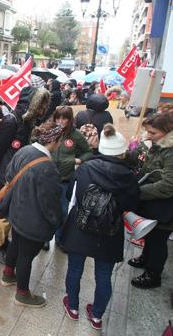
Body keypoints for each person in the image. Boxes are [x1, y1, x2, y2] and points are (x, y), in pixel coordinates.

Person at [61, 124, 140, 330]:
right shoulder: (130, 177)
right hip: (110, 232)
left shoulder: (86, 168)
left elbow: (71, 195)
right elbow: (133, 204)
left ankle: (73, 307)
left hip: (81, 226)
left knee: (75, 268)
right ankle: (96, 316)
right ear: (122, 152)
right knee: (104, 275)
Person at [0, 121, 64, 307]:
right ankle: (22, 294)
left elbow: (8, 176)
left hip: (16, 211)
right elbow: (49, 202)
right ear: (53, 140)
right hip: (33, 220)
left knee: (15, 245)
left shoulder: (24, 150)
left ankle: (8, 275)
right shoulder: (47, 167)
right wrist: (57, 221)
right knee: (26, 255)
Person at [127, 113, 173, 289]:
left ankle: (153, 274)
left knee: (158, 240)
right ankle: (145, 258)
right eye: (147, 131)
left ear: (168, 131)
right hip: (157, 202)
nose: (148, 136)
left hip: (171, 206)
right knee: (151, 234)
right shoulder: (162, 145)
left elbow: (168, 186)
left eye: (153, 132)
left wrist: (136, 192)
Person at [0, 87, 50, 263]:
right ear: (32, 103)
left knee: (8, 209)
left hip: (16, 170)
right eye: (41, 104)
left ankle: (1, 242)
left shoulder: (27, 120)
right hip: (7, 171)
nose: (43, 109)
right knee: (3, 209)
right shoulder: (12, 120)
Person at [51, 106, 92, 249]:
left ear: (70, 119)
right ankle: (44, 238)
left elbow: (88, 152)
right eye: (58, 118)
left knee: (63, 210)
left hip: (65, 179)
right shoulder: (50, 131)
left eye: (64, 118)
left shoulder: (76, 135)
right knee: (46, 207)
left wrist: (77, 160)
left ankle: (60, 237)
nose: (60, 121)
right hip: (48, 177)